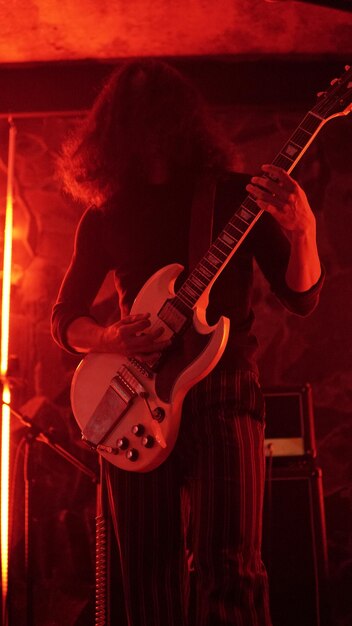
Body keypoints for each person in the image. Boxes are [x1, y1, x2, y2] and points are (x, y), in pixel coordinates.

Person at [51, 59, 324, 626]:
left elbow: (301, 296)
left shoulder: (231, 196)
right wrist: (108, 336)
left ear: (181, 120)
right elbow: (65, 320)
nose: (147, 130)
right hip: (135, 395)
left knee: (232, 563)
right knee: (147, 574)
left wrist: (303, 230)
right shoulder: (107, 212)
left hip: (223, 388)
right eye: (133, 117)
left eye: (157, 115)